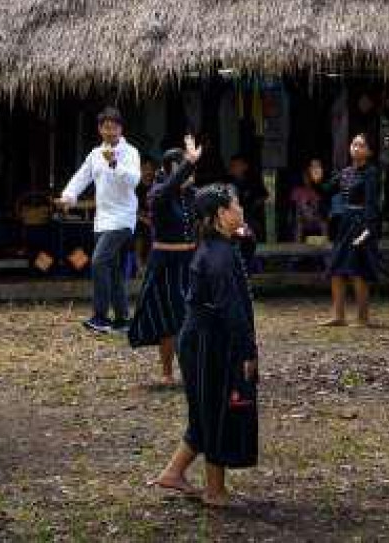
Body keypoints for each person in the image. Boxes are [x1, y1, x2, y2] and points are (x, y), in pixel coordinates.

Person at [150, 183, 258, 508]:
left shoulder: (222, 244)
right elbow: (232, 309)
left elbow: (244, 261)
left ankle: (173, 473)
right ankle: (214, 491)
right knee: (216, 411)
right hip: (208, 342)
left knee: (204, 412)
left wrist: (245, 236)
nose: (241, 209)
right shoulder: (218, 255)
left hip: (205, 338)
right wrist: (247, 352)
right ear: (221, 214)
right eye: (236, 205)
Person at [57, 106, 141, 333]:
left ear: (121, 129)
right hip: (102, 219)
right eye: (106, 128)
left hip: (123, 219)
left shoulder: (130, 152)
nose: (110, 132)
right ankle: (123, 318)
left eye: (114, 128)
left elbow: (134, 181)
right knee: (112, 270)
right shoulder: (95, 154)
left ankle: (100, 316)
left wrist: (115, 164)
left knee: (98, 262)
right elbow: (81, 177)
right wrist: (68, 196)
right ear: (100, 129)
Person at [128, 136, 201, 384]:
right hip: (166, 263)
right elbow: (170, 187)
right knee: (168, 317)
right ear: (171, 169)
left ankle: (193, 370)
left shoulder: (192, 194)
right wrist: (188, 163)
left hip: (189, 261)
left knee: (192, 315)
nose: (190, 175)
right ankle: (167, 372)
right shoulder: (157, 193)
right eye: (182, 169)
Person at [312, 134, 381, 328]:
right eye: (354, 144)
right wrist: (317, 181)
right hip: (344, 224)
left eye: (361, 145)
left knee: (357, 270)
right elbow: (326, 191)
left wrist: (367, 231)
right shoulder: (345, 173)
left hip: (361, 224)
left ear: (369, 152)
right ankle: (338, 315)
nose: (356, 148)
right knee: (336, 270)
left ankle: (362, 317)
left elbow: (371, 205)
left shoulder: (371, 174)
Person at [226, 155, 269, 243]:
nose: (232, 168)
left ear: (245, 166)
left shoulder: (253, 182)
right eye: (231, 165)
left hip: (251, 220)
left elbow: (264, 195)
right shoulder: (227, 183)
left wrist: (254, 205)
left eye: (236, 165)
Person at [290, 158, 329, 241]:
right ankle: (297, 244)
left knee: (323, 223)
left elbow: (318, 207)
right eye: (305, 177)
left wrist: (313, 212)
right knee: (300, 213)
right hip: (301, 217)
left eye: (308, 176)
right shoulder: (297, 190)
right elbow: (294, 208)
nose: (307, 179)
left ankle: (325, 242)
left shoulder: (315, 191)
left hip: (314, 217)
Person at [133, 155, 158, 274]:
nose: (148, 172)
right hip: (137, 221)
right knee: (141, 228)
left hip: (153, 221)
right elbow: (132, 210)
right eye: (145, 168)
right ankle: (139, 264)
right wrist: (144, 219)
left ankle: (149, 264)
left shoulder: (157, 187)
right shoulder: (135, 188)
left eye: (150, 168)